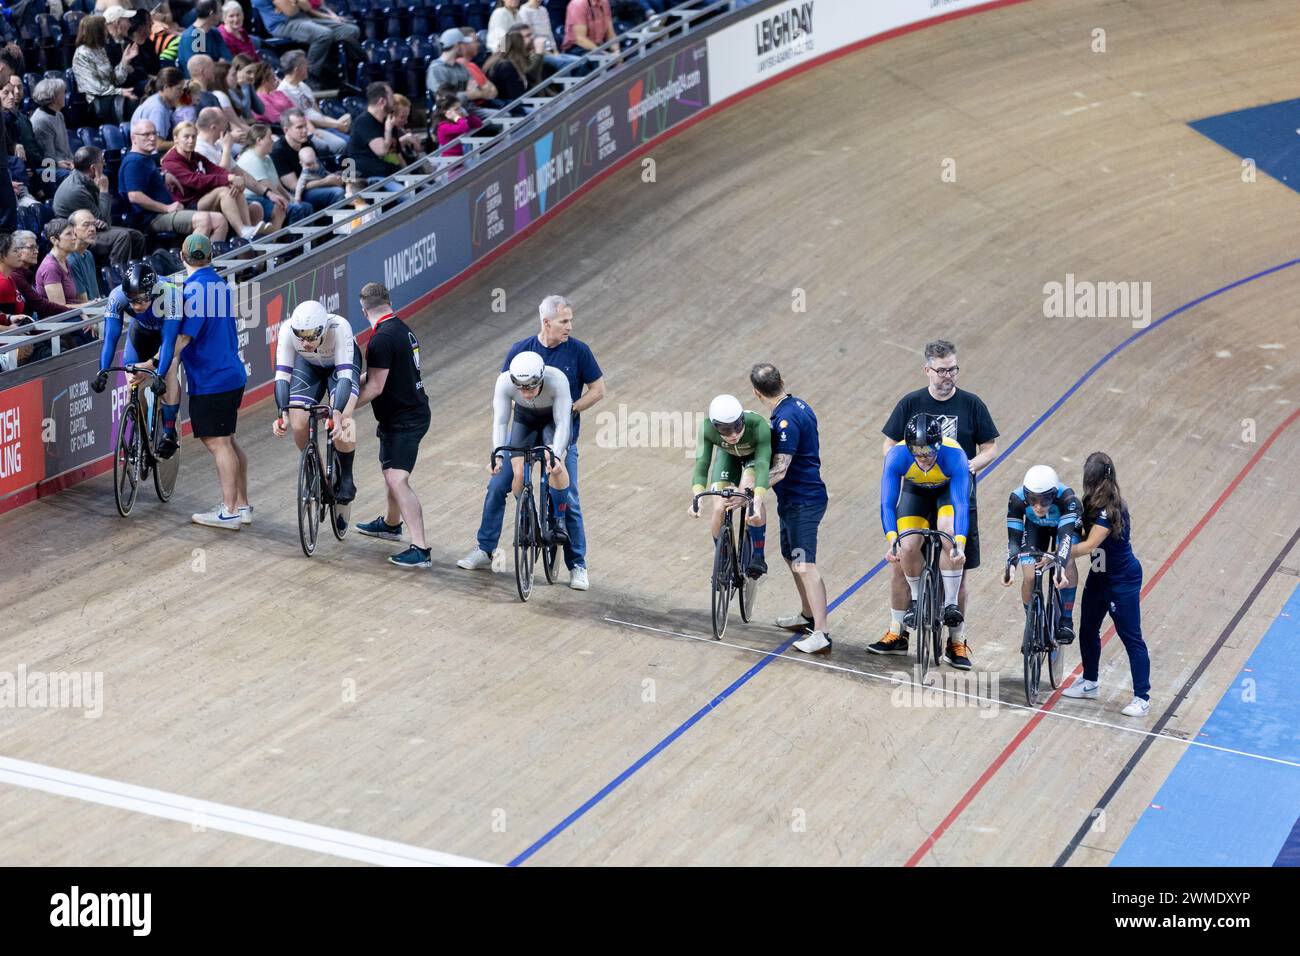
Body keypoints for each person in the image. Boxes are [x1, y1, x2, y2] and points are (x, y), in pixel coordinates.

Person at [458, 294, 603, 590]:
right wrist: (497, 455)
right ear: (546, 322)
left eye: (570, 321)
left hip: (558, 422)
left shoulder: (578, 352)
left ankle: (577, 564)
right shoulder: (519, 351)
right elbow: (502, 412)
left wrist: (573, 409)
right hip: (525, 421)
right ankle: (486, 548)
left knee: (565, 489)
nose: (569, 326)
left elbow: (598, 390)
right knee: (498, 484)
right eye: (564, 321)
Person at [875, 339, 998, 664]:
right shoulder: (910, 406)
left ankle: (955, 639)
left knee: (954, 552)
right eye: (942, 370)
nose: (948, 375)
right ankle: (900, 626)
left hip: (951, 486)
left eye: (953, 369)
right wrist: (905, 467)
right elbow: (888, 464)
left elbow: (988, 449)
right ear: (927, 369)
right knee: (906, 549)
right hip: (916, 489)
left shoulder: (970, 408)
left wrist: (972, 466)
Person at [879, 413, 971, 668]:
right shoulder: (897, 455)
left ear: (939, 445)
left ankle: (950, 605)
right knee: (907, 545)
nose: (924, 459)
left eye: (930, 453)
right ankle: (918, 600)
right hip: (915, 493)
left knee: (949, 536)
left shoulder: (955, 456)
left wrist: (960, 543)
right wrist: (891, 539)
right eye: (918, 455)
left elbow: (962, 504)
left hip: (947, 493)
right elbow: (887, 503)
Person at [1063, 452, 1150, 717]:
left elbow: (1089, 545)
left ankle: (1142, 698)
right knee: (1088, 627)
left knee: (1130, 636)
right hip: (1099, 577)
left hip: (1122, 581)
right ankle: (1090, 682)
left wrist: (1062, 551)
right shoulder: (1090, 502)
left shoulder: (1111, 509)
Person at [752, 364, 831, 655]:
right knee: (791, 556)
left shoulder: (785, 419)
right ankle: (807, 615)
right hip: (794, 500)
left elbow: (781, 470)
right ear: (782, 381)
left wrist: (752, 490)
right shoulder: (800, 405)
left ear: (755, 393)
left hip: (804, 501)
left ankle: (821, 633)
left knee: (805, 564)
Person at [174, 233, 251, 529]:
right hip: (230, 373)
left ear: (182, 257)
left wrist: (157, 362)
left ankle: (230, 511)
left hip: (212, 380)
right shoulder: (218, 283)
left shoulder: (194, 291)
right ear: (211, 256)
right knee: (228, 441)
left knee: (218, 443)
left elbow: (183, 338)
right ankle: (242, 506)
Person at [354, 282, 432, 568]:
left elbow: (375, 386)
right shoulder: (399, 328)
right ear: (388, 302)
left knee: (397, 479)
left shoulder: (380, 339)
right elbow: (377, 373)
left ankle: (420, 549)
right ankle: (390, 524)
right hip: (406, 414)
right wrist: (349, 387)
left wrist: (346, 409)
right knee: (390, 472)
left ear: (364, 311)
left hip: (405, 419)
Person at [272, 300, 360, 518]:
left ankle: (346, 475)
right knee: (298, 421)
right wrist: (281, 413)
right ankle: (315, 471)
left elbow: (345, 379)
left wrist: (337, 413)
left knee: (344, 414)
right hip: (309, 367)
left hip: (340, 368)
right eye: (300, 336)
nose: (305, 341)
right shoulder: (286, 330)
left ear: (323, 329)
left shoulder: (340, 327)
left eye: (311, 336)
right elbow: (282, 377)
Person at [90, 261, 183, 458]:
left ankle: (168, 431)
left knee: (170, 370)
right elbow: (110, 338)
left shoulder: (170, 294)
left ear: (152, 293)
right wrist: (103, 371)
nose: (134, 305)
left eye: (140, 300)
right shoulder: (117, 296)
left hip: (164, 338)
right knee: (132, 380)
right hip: (139, 334)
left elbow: (168, 342)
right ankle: (140, 431)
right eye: (130, 300)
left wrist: (160, 374)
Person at [491, 350, 575, 537]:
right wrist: (497, 455)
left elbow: (562, 422)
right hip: (525, 419)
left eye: (530, 387)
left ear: (541, 378)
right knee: (519, 472)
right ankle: (525, 515)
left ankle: (559, 521)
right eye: (520, 389)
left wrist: (556, 455)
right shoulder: (504, 381)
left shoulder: (558, 379)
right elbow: (501, 421)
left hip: (551, 420)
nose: (526, 393)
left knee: (554, 465)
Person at [689, 394, 770, 579]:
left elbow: (764, 464)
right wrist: (698, 498)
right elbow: (701, 465)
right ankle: (723, 558)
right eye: (725, 430)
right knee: (719, 507)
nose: (733, 434)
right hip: (728, 457)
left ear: (742, 419)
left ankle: (758, 555)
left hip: (754, 457)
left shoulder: (759, 425)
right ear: (715, 426)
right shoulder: (706, 429)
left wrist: (756, 500)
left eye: (737, 427)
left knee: (747, 494)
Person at [1003, 464, 1081, 643]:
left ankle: (1066, 620)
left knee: (1067, 562)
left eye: (1045, 501)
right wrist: (1011, 567)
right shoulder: (1016, 499)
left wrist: (1059, 566)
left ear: (1053, 495)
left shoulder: (1068, 499)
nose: (1038, 506)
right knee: (1029, 576)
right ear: (1025, 495)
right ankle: (1033, 621)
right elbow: (1014, 539)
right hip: (1036, 527)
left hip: (1064, 526)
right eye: (1032, 500)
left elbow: (1066, 538)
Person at [121, 119, 228, 239]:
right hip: (153, 218)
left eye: (154, 133)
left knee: (219, 220)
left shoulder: (145, 158)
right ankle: (193, 257)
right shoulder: (134, 161)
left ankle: (211, 256)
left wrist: (163, 176)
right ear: (134, 138)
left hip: (163, 213)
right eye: (146, 134)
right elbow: (135, 196)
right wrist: (166, 208)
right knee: (203, 220)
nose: (152, 138)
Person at [161, 121, 264, 240]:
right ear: (176, 139)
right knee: (224, 191)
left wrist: (234, 178)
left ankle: (248, 229)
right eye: (186, 137)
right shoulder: (171, 162)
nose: (191, 140)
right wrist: (228, 178)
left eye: (194, 136)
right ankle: (241, 231)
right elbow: (196, 181)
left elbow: (216, 169)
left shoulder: (195, 156)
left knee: (234, 187)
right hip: (187, 205)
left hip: (201, 199)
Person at [54, 147, 147, 267]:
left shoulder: (85, 179)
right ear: (93, 168)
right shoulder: (77, 190)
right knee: (122, 237)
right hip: (76, 235)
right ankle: (116, 278)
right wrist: (104, 190)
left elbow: (102, 222)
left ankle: (137, 274)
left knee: (137, 236)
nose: (105, 164)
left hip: (90, 227)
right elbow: (105, 221)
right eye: (102, 162)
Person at [252, 0, 365, 90]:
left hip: (305, 19)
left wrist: (293, 2)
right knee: (324, 34)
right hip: (282, 25)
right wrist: (295, 3)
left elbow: (306, 6)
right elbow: (291, 11)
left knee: (351, 30)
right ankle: (309, 74)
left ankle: (337, 72)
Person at [277, 49, 351, 155]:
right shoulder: (283, 91)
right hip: (310, 129)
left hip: (324, 126)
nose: (308, 67)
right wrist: (336, 124)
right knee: (345, 144)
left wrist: (337, 123)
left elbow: (318, 114)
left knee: (352, 129)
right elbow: (304, 120)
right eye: (305, 65)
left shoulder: (304, 86)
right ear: (297, 69)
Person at [237, 123, 310, 227]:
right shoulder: (251, 159)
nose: (272, 140)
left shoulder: (267, 157)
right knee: (297, 210)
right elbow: (271, 190)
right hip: (254, 200)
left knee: (306, 206)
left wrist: (292, 199)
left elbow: (278, 186)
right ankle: (294, 242)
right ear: (259, 141)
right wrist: (291, 204)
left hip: (269, 197)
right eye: (269, 137)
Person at [273, 109, 347, 210]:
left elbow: (317, 168)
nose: (305, 131)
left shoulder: (306, 142)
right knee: (337, 192)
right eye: (299, 127)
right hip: (299, 194)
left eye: (305, 126)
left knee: (353, 183)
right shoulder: (278, 151)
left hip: (315, 183)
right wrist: (326, 181)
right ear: (286, 130)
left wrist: (334, 177)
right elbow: (294, 186)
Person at [71, 14, 139, 124]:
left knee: (137, 95)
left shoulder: (100, 50)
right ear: (96, 32)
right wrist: (120, 91)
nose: (107, 32)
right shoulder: (82, 54)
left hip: (110, 94)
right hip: (95, 102)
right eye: (104, 29)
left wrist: (124, 61)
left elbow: (115, 80)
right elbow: (95, 88)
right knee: (131, 103)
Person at [343, 82, 405, 192]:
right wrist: (388, 130)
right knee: (407, 194)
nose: (394, 101)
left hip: (392, 174)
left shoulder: (388, 121)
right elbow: (381, 151)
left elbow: (397, 155)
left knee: (425, 189)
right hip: (372, 178)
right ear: (382, 102)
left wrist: (408, 173)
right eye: (391, 97)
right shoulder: (364, 122)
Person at [30, 79, 76, 182]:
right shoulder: (41, 120)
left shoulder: (58, 114)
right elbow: (48, 156)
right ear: (54, 97)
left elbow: (65, 149)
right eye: (62, 93)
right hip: (51, 168)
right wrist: (69, 165)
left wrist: (74, 162)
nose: (65, 95)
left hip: (65, 162)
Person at [36, 219, 89, 308]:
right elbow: (60, 309)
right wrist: (89, 306)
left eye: (74, 234)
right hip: (61, 320)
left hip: (75, 315)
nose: (74, 238)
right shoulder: (50, 267)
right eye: (68, 234)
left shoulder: (64, 261)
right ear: (54, 240)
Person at [485, 27, 544, 105]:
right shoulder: (506, 67)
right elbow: (516, 97)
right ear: (519, 45)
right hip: (511, 109)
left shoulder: (496, 61)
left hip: (510, 106)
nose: (530, 41)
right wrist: (538, 55)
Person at [132, 66, 187, 150]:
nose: (181, 92)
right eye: (179, 89)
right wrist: (184, 142)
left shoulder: (161, 103)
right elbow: (158, 145)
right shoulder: (158, 109)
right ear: (166, 88)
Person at [520, 0, 583, 72]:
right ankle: (564, 83)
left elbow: (549, 32)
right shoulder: (524, 11)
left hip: (550, 50)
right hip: (537, 53)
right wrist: (543, 51)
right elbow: (529, 36)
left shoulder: (543, 10)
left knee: (580, 61)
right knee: (565, 63)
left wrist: (555, 50)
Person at [177, 0, 233, 75]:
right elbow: (201, 71)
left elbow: (228, 60)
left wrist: (216, 64)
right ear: (211, 14)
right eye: (220, 11)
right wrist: (219, 64)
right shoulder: (196, 36)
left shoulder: (214, 32)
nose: (221, 15)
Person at [432, 91, 483, 159]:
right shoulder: (443, 126)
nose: (460, 111)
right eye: (456, 109)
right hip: (449, 162)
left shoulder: (458, 121)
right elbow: (464, 128)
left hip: (460, 159)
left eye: (460, 108)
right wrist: (457, 118)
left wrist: (467, 116)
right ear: (446, 112)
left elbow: (478, 123)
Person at [67, 211, 103, 300]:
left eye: (93, 224)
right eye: (86, 225)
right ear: (72, 229)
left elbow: (96, 294)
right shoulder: (70, 259)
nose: (92, 229)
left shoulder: (88, 254)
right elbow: (83, 303)